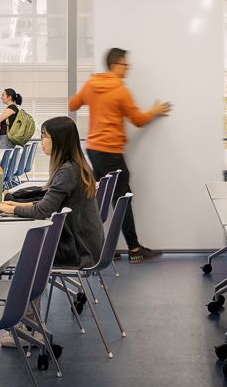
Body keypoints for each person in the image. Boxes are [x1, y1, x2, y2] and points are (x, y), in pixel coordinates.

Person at [69, 47, 171, 263]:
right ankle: (133, 249)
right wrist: (155, 110)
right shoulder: (120, 90)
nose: (128, 68)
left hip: (94, 149)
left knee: (95, 199)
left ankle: (92, 247)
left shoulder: (92, 84)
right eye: (125, 64)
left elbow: (73, 104)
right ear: (115, 65)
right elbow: (138, 120)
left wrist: (90, 96)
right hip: (110, 152)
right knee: (122, 197)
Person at [0, 115, 102, 269]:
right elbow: (51, 203)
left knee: (14, 246)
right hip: (86, 245)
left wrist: (12, 209)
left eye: (44, 136)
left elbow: (43, 210)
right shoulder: (74, 166)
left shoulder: (67, 171)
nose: (41, 141)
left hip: (78, 251)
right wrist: (15, 203)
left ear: (58, 140)